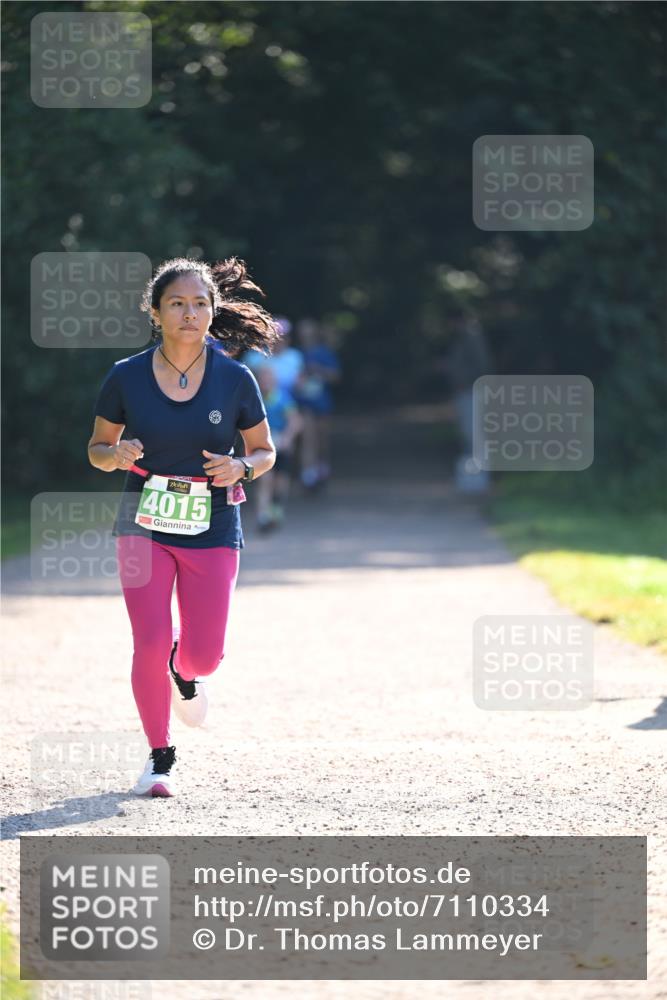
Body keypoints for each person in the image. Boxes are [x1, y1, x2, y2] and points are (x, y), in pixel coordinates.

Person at [88, 257, 278, 797]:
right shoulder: (125, 376)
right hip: (142, 522)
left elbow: (264, 451)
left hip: (213, 523)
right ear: (155, 312)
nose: (189, 313)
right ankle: (159, 756)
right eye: (176, 303)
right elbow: (97, 449)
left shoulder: (234, 378)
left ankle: (185, 671)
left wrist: (242, 467)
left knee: (204, 655)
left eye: (199, 303)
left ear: (212, 312)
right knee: (149, 641)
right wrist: (115, 454)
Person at [254, 364, 303, 531]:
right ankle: (263, 515)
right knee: (265, 480)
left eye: (269, 378)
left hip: (281, 446)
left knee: (280, 482)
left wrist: (287, 438)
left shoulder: (283, 398)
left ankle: (277, 509)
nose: (266, 382)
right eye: (263, 379)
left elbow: (296, 421)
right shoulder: (255, 398)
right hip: (263, 447)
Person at [293, 319, 341, 489]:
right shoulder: (297, 353)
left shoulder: (324, 352)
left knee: (322, 438)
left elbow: (336, 376)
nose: (305, 334)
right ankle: (308, 474)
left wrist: (318, 370)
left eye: (309, 330)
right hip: (303, 402)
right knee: (308, 437)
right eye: (302, 331)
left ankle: (322, 467)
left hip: (322, 402)